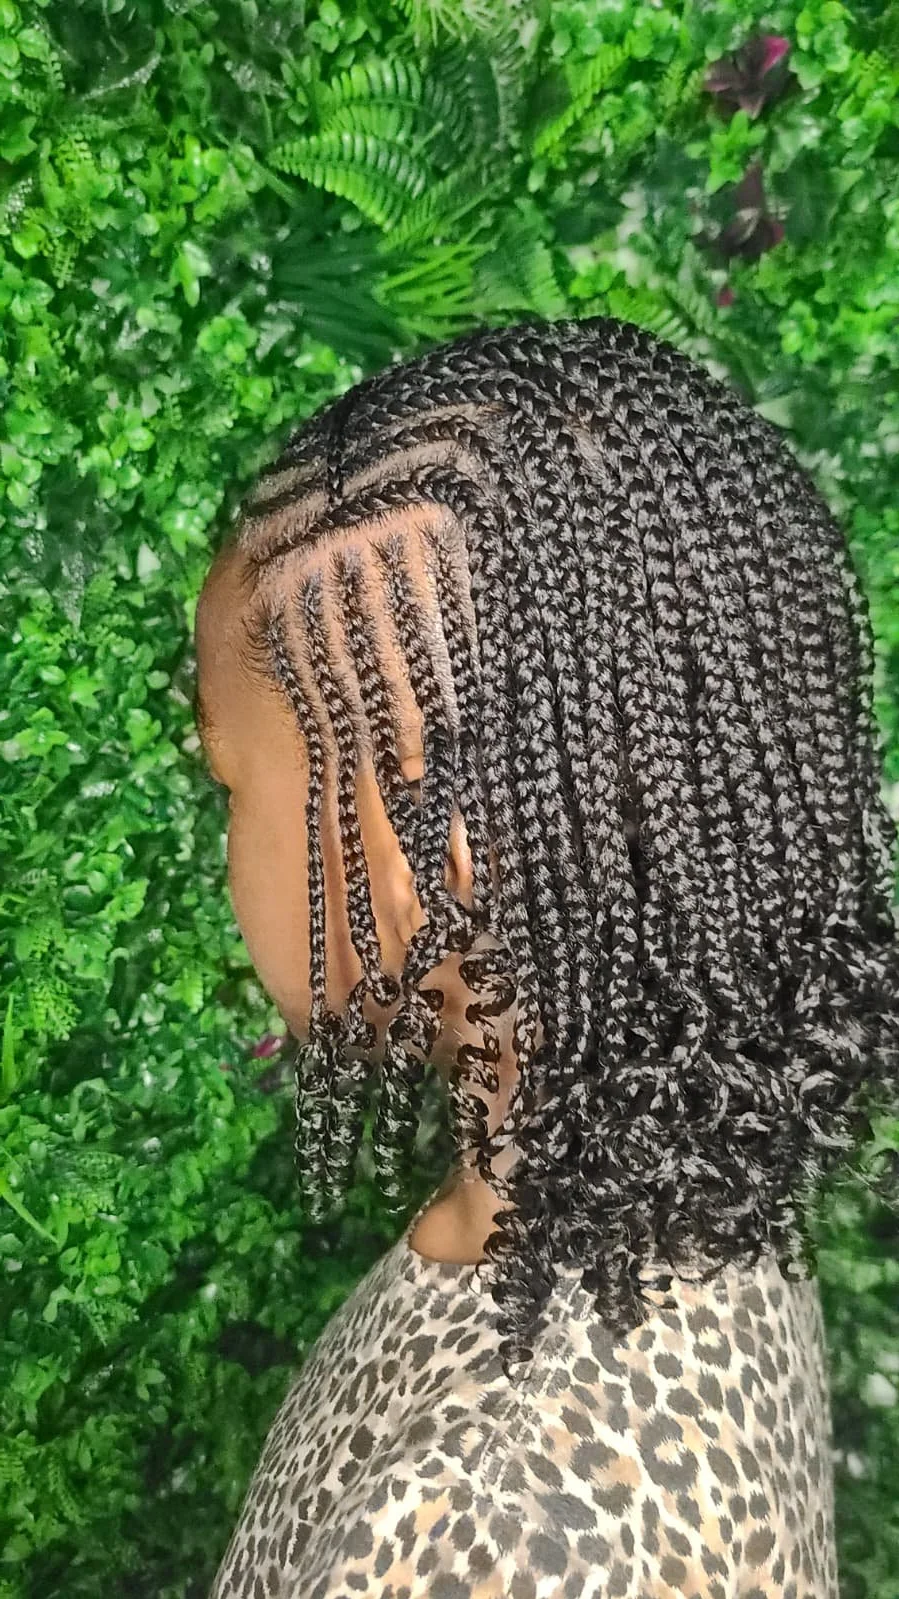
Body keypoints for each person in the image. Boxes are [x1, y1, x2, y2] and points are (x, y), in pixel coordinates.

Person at [194, 316, 899, 1598]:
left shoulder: (485, 1533)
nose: (223, 844)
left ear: (422, 852)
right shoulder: (670, 1196)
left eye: (229, 785)